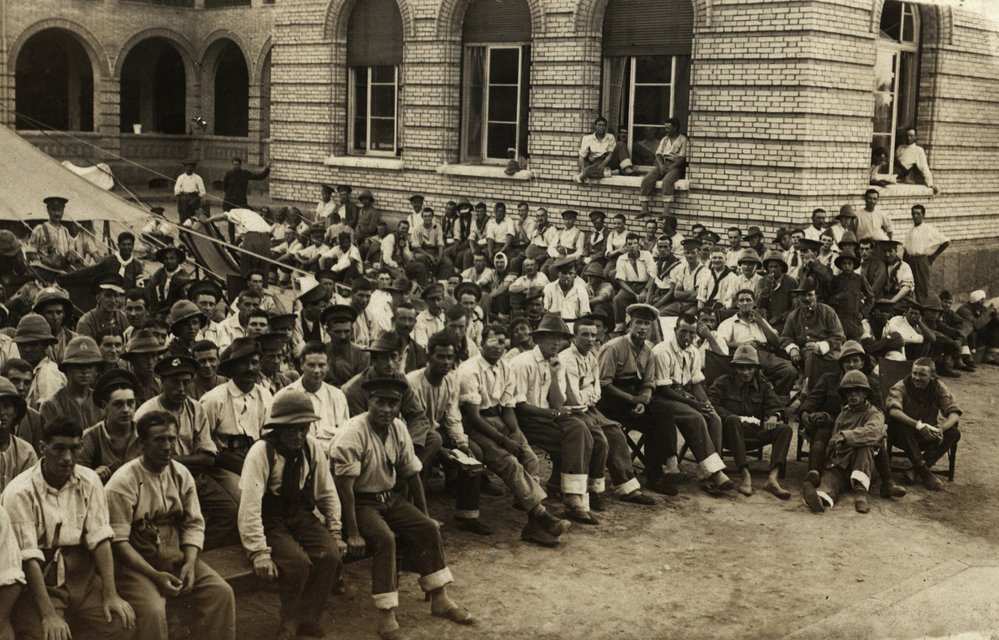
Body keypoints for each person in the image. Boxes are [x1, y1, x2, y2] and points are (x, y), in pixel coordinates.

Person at [332, 377, 475, 640]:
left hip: (391, 498)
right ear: (368, 402)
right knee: (385, 539)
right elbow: (345, 490)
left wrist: (425, 514)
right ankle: (386, 615)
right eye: (380, 402)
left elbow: (411, 473)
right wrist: (352, 532)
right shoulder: (352, 433)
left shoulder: (398, 427)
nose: (386, 409)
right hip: (360, 502)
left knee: (427, 528)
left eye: (393, 403)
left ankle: (439, 598)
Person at [104, 409, 236, 640]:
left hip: (175, 553)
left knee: (221, 593)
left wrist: (190, 564)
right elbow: (120, 542)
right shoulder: (123, 481)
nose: (167, 446)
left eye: (171, 439)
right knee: (153, 610)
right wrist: (155, 576)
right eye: (159, 439)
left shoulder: (180, 473)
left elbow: (194, 524)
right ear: (142, 443)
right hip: (137, 561)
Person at [2, 416, 136, 639]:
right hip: (42, 582)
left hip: (81, 576)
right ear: (43, 448)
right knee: (49, 634)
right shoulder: (19, 492)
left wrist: (110, 594)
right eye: (59, 449)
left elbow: (100, 537)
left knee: (121, 624)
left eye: (74, 449)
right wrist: (49, 615)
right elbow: (29, 558)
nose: (67, 458)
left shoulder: (89, 480)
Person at [239, 389, 343, 640]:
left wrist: (336, 529)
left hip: (299, 513)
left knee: (330, 556)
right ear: (278, 428)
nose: (298, 435)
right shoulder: (261, 452)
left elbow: (327, 491)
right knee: (298, 565)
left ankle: (309, 616)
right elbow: (250, 506)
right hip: (270, 518)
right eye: (291, 429)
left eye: (303, 428)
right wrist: (259, 552)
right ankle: (289, 619)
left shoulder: (312, 447)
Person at [135, 354, 237, 550]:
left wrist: (172, 459)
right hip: (159, 480)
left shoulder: (195, 408)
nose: (181, 389)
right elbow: (145, 460)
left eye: (186, 382)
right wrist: (188, 460)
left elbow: (208, 457)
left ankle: (196, 549)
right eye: (174, 382)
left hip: (195, 477)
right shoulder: (146, 412)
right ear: (162, 382)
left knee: (230, 512)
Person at [510, 314, 604, 524]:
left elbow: (556, 402)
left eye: (560, 339)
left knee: (582, 429)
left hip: (547, 417)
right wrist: (553, 414)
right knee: (575, 436)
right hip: (524, 420)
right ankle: (572, 498)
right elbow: (520, 406)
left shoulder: (555, 362)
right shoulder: (522, 363)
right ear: (538, 339)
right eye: (550, 338)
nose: (556, 343)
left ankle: (572, 495)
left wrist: (554, 376)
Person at [559, 318, 655, 505]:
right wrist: (587, 395)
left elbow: (596, 391)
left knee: (614, 430)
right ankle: (594, 491)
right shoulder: (566, 359)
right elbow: (574, 399)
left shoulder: (591, 357)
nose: (590, 339)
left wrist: (587, 395)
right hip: (569, 411)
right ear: (574, 337)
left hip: (590, 408)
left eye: (594, 335)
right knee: (599, 438)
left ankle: (626, 487)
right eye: (585, 334)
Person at [407, 332, 492, 534]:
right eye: (440, 356)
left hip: (438, 433)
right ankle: (417, 518)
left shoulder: (450, 380)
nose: (446, 362)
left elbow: (452, 417)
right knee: (423, 458)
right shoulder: (413, 383)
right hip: (415, 437)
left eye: (449, 357)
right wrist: (443, 450)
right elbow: (415, 423)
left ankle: (467, 514)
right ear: (429, 356)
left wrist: (461, 443)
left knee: (474, 453)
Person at [597, 304, 681, 495]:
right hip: (609, 403)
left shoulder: (649, 352)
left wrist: (643, 401)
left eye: (647, 324)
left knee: (662, 412)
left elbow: (648, 383)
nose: (642, 328)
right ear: (629, 324)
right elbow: (604, 385)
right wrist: (633, 400)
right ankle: (661, 469)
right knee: (655, 417)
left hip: (634, 401)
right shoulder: (613, 347)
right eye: (638, 323)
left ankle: (659, 474)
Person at [707, 345, 792, 499]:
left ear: (755, 369)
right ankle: (745, 474)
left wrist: (775, 415)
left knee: (785, 429)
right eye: (741, 368)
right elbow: (712, 404)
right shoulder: (723, 383)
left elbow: (777, 406)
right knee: (733, 420)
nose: (745, 372)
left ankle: (772, 478)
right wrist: (733, 417)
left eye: (749, 368)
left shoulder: (763, 386)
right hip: (730, 434)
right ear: (734, 368)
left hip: (755, 433)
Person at [802, 371, 885, 514]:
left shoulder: (874, 413)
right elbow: (835, 435)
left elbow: (874, 432)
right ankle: (819, 498)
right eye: (848, 392)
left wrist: (845, 436)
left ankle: (861, 494)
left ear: (865, 394)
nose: (852, 395)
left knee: (864, 447)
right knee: (829, 482)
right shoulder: (844, 413)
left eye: (857, 391)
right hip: (842, 461)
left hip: (863, 464)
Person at [200, 337, 273, 496]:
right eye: (243, 363)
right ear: (232, 366)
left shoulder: (265, 396)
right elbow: (202, 440)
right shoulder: (214, 399)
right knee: (245, 496)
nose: (250, 368)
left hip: (256, 459)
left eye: (254, 363)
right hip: (222, 464)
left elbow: (270, 437)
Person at [885, 357, 961, 491]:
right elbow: (893, 411)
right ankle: (924, 471)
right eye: (914, 373)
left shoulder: (938, 387)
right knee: (897, 425)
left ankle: (914, 470)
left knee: (954, 433)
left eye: (922, 375)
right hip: (905, 436)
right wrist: (918, 425)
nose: (916, 378)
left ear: (932, 376)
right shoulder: (902, 386)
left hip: (928, 435)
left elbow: (954, 412)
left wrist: (942, 428)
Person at [715, 289, 798, 396]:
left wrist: (761, 322)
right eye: (741, 300)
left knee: (790, 371)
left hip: (765, 354)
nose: (745, 303)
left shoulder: (760, 320)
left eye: (748, 300)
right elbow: (720, 342)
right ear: (737, 303)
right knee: (757, 376)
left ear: (753, 303)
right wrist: (742, 345)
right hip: (743, 357)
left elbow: (777, 342)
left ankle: (777, 399)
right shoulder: (729, 323)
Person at [78, 370, 142, 482]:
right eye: (118, 404)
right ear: (105, 405)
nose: (126, 410)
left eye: (130, 403)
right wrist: (93, 476)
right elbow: (77, 479)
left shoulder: (144, 434)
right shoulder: (90, 438)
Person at [780, 278, 845, 385]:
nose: (807, 299)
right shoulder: (793, 316)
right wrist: (792, 349)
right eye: (803, 295)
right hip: (805, 354)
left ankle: (809, 386)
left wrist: (820, 347)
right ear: (798, 297)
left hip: (830, 352)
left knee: (816, 360)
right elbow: (785, 337)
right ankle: (808, 384)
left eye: (810, 295)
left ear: (816, 296)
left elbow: (838, 336)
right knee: (808, 357)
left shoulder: (827, 311)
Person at [39, 336, 104, 430]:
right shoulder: (52, 405)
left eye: (89, 366)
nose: (84, 371)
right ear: (67, 370)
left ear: (96, 371)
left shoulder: (102, 402)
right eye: (78, 366)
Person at [206, 207, 274, 282]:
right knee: (262, 270)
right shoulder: (253, 215)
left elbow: (224, 216)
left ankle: (245, 287)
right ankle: (261, 290)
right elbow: (243, 234)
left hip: (252, 238)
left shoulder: (237, 211)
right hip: (266, 239)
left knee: (247, 269)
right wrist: (234, 246)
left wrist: (208, 220)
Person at [12, 315, 65, 409]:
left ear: (45, 345)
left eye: (33, 345)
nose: (27, 349)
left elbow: (50, 415)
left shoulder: (48, 374)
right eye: (22, 345)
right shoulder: (33, 371)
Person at [639, 118, 688, 219]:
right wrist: (661, 165)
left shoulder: (683, 139)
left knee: (667, 181)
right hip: (663, 163)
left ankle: (666, 211)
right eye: (665, 127)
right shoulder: (664, 139)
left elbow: (682, 158)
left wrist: (671, 167)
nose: (666, 130)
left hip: (676, 165)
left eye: (668, 128)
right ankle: (644, 209)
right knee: (647, 179)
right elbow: (658, 155)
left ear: (675, 128)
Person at [902, 204, 949, 303]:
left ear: (923, 215)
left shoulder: (928, 229)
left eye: (918, 214)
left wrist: (932, 257)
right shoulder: (911, 230)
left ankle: (924, 310)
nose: (915, 216)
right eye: (913, 213)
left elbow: (945, 241)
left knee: (922, 288)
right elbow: (906, 248)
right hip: (910, 261)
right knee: (908, 286)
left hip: (921, 261)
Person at [612, 233, 658, 330]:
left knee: (646, 303)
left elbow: (653, 275)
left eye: (634, 243)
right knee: (618, 299)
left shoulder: (647, 255)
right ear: (626, 245)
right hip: (630, 287)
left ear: (639, 244)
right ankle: (620, 326)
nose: (632, 246)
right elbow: (620, 280)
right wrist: (634, 294)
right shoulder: (622, 258)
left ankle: (645, 327)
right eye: (629, 244)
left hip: (646, 285)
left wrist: (645, 291)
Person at [26, 196, 83, 273]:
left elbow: (69, 251)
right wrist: (43, 262)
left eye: (59, 210)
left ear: (63, 211)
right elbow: (30, 253)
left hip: (63, 272)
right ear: (48, 210)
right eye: (53, 210)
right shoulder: (40, 229)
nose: (57, 213)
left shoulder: (65, 231)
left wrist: (72, 256)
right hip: (46, 272)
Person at [0, 377, 38, 490]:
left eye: (7, 406)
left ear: (15, 412)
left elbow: (31, 489)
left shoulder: (26, 452)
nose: (2, 413)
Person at [829, 248, 874, 340]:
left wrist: (863, 312)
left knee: (856, 346)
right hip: (839, 320)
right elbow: (829, 299)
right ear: (841, 265)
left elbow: (870, 297)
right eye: (844, 263)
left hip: (855, 321)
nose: (847, 266)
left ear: (853, 265)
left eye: (849, 263)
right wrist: (838, 297)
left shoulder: (860, 279)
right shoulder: (836, 280)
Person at [576, 116, 634, 182]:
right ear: (595, 126)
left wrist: (603, 164)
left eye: (603, 125)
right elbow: (581, 156)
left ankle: (626, 168)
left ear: (606, 127)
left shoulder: (610, 137)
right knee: (587, 172)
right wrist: (583, 171)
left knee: (620, 144)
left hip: (608, 160)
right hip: (596, 162)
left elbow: (611, 153)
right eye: (599, 125)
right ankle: (613, 172)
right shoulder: (587, 138)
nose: (601, 127)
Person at [76, 273, 129, 343]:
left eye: (116, 296)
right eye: (108, 295)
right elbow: (87, 351)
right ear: (98, 298)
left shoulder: (125, 318)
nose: (113, 301)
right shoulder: (86, 322)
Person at [32, 286, 76, 365]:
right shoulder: (33, 341)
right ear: (41, 314)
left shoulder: (74, 339)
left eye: (59, 312)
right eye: (49, 313)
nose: (55, 317)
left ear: (64, 314)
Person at [544, 257, 590, 322]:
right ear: (558, 273)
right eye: (564, 273)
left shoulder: (581, 290)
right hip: (553, 324)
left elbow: (585, 313)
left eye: (571, 273)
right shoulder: (549, 288)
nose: (567, 276)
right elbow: (544, 309)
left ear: (574, 274)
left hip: (573, 325)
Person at [894, 128, 939, 192]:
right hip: (895, 178)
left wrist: (930, 184)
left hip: (907, 181)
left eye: (911, 136)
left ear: (915, 137)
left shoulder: (918, 150)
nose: (908, 138)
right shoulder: (900, 148)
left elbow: (924, 167)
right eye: (907, 135)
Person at [881, 239, 916, 305]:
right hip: (886, 298)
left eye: (890, 251)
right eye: (885, 251)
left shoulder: (904, 266)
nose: (887, 254)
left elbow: (906, 287)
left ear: (896, 251)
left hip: (902, 299)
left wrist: (892, 301)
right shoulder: (881, 266)